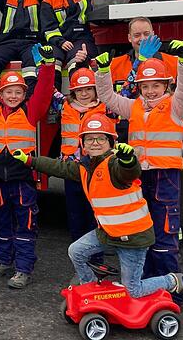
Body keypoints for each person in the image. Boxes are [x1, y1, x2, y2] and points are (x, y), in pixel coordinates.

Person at [12, 113, 183, 312]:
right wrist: (29, 160)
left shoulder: (115, 164)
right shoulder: (84, 167)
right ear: (83, 144)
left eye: (101, 138)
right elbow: (58, 166)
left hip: (133, 239)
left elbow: (130, 172)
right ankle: (91, 287)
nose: (95, 142)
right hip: (108, 233)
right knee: (76, 251)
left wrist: (128, 160)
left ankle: (181, 281)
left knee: (134, 290)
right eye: (89, 138)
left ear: (111, 141)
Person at [95, 42, 183, 306]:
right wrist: (103, 71)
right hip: (138, 177)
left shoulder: (176, 106)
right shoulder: (134, 107)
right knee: (143, 231)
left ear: (166, 86)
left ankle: (173, 295)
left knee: (164, 236)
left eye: (156, 86)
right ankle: (149, 287)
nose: (151, 91)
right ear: (139, 87)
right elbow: (107, 98)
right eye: (145, 86)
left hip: (166, 179)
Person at [0, 44, 55, 289]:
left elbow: (44, 92)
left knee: (26, 222)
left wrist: (48, 66)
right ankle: (4, 260)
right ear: (1, 94)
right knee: (3, 221)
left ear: (24, 94)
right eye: (9, 92)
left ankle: (23, 267)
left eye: (18, 91)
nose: (13, 96)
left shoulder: (31, 111)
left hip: (22, 179)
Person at [59, 68, 110, 258]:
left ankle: (97, 261)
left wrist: (140, 62)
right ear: (73, 92)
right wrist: (46, 66)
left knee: (94, 216)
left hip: (96, 170)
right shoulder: (63, 106)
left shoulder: (106, 107)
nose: (84, 93)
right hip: (72, 171)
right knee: (75, 217)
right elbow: (45, 90)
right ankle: (80, 261)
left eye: (89, 89)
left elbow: (128, 91)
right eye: (79, 90)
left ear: (96, 90)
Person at [110, 16, 183, 105]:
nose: (142, 39)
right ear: (129, 38)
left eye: (146, 34)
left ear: (153, 34)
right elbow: (111, 99)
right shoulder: (115, 64)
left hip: (163, 122)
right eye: (137, 35)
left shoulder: (171, 62)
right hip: (130, 125)